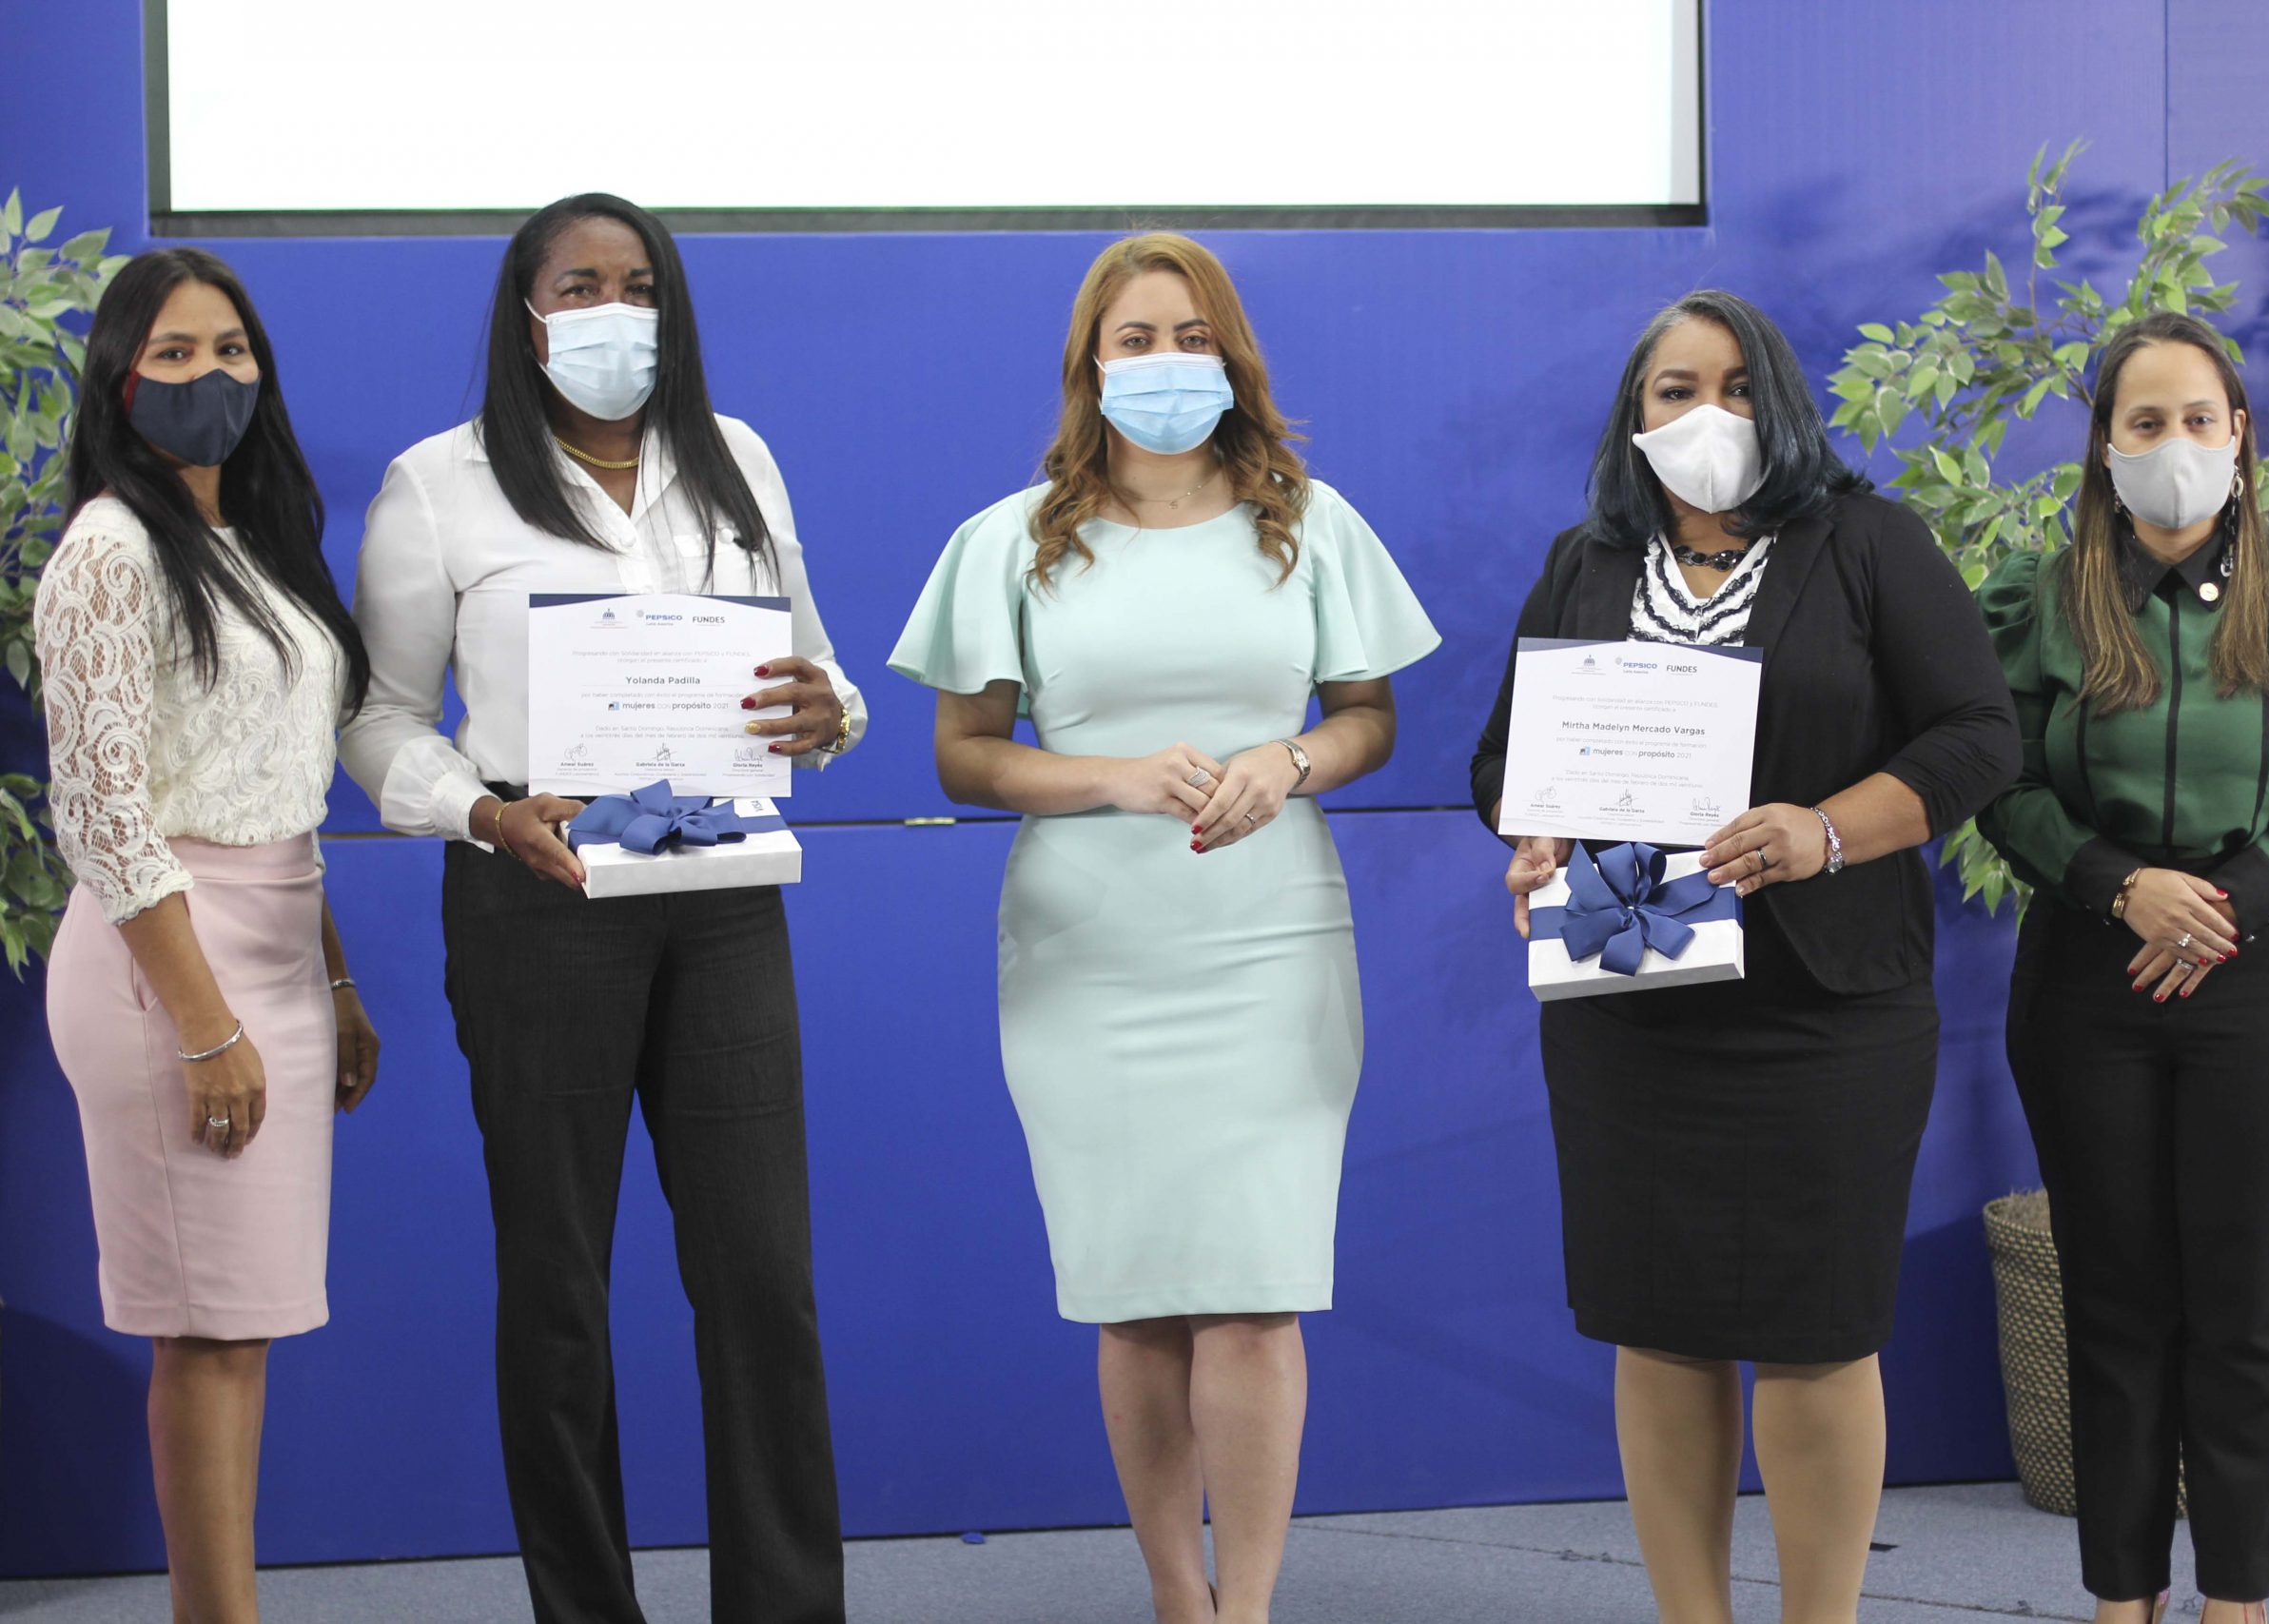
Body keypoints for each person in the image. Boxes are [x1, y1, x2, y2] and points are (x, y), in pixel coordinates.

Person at [889, 231, 1438, 1624]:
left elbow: (1369, 716)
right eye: (1134, 340)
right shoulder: (1009, 540)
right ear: (1089, 366)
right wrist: (1112, 779)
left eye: (1189, 336)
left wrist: (1290, 761)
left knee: (1255, 1288)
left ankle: (1244, 1609)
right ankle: (1173, 1596)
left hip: (1269, 944)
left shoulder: (1310, 521)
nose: (1164, 364)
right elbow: (965, 755)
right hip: (1089, 955)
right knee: (1135, 1293)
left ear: (1231, 356)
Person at [337, 194, 864, 1624]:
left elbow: (817, 677)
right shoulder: (437, 483)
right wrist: (485, 813)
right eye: (581, 285)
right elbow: (378, 722)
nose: (613, 309)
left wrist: (833, 712)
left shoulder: (737, 457)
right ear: (528, 312)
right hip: (533, 895)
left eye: (638, 284)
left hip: (725, 891)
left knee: (764, 1282)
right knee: (559, 1285)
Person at [1471, 289, 2021, 1624]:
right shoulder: (1584, 562)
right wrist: (1534, 831)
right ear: (1634, 416)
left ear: (1778, 403)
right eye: (1674, 389)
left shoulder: (1868, 543)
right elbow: (1503, 760)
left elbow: (1976, 737)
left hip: (1830, 1010)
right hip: (1627, 995)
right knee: (1657, 1330)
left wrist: (1826, 830)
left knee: (1818, 1334)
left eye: (1732, 386)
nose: (1704, 413)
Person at [1978, 312, 2269, 1624]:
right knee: (2115, 1304)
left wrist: (2233, 901)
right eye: (2144, 424)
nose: (2174, 446)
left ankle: (2236, 1605)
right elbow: (2006, 783)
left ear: (2242, 441)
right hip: (2090, 984)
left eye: (2197, 421)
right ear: (2103, 448)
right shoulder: (2045, 602)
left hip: (2267, 981)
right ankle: (2120, 1601)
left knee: (2243, 1310)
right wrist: (2120, 886)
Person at [36, 246, 381, 1623]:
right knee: (207, 1332)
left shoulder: (258, 546)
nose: (211, 377)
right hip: (165, 971)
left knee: (240, 1332)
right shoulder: (111, 551)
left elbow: (272, 784)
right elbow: (111, 821)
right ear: (122, 381)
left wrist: (336, 977)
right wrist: (207, 1023)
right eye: (175, 355)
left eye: (231, 350)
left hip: (279, 949)